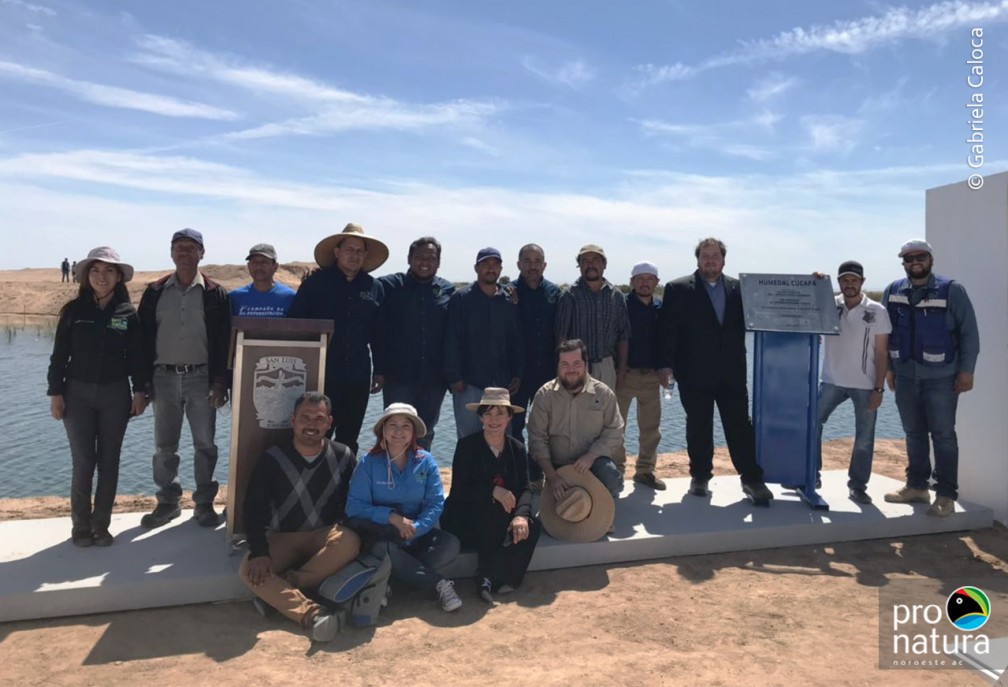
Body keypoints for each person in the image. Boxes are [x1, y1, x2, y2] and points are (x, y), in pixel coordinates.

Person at [657, 238, 774, 504]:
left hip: (731, 373)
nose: (710, 260)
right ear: (697, 260)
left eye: (715, 256)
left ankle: (751, 479)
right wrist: (665, 365)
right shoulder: (678, 288)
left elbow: (771, 306)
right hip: (693, 373)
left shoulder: (740, 288)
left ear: (724, 260)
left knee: (740, 427)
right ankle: (700, 476)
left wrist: (815, 283)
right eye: (705, 256)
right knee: (699, 426)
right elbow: (668, 331)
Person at [47, 247, 148, 547]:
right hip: (75, 394)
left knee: (109, 461)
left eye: (108, 271)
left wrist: (140, 390)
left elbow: (138, 358)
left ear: (119, 278)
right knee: (83, 462)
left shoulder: (128, 314)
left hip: (115, 395)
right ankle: (80, 527)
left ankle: (100, 526)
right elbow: (59, 356)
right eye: (95, 270)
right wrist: (55, 393)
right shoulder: (74, 311)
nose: (101, 277)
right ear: (86, 276)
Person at [240, 392, 360, 642]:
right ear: (293, 420)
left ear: (329, 422)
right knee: (247, 570)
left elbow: (355, 502)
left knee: (349, 541)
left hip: (322, 534)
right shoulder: (272, 458)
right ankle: (312, 614)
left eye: (319, 418)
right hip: (282, 537)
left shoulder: (344, 456)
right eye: (305, 417)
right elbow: (253, 507)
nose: (312, 424)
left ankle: (284, 588)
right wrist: (259, 551)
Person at [138, 228, 231, 529]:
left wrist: (221, 382)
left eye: (191, 248)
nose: (185, 253)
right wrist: (142, 383)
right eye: (179, 247)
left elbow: (224, 342)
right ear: (171, 252)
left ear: (202, 253)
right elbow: (142, 341)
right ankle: (168, 502)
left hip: (201, 378)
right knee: (165, 446)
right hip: (162, 378)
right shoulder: (154, 292)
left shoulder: (216, 293)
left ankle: (204, 503)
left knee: (205, 444)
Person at [881, 239, 980, 517]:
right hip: (905, 377)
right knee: (913, 434)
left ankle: (946, 495)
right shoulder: (892, 290)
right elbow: (884, 334)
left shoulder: (952, 290)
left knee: (944, 436)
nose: (915, 262)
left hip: (942, 378)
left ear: (930, 259)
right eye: (909, 258)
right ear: (903, 263)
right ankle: (916, 487)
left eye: (920, 257)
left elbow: (969, 333)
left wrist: (967, 370)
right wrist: (888, 368)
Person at [345, 403, 463, 612]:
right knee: (384, 549)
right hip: (383, 535)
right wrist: (391, 518)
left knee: (450, 544)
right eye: (392, 425)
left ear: (413, 432)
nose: (399, 432)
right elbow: (353, 506)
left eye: (405, 426)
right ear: (383, 430)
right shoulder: (368, 463)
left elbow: (435, 503)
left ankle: (388, 581)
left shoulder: (426, 461)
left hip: (415, 535)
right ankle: (437, 584)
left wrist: (416, 528)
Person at [288, 223, 388, 453]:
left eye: (359, 251)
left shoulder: (374, 287)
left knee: (350, 435)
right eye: (349, 249)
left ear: (365, 255)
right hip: (321, 372)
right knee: (317, 432)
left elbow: (379, 334)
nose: (354, 255)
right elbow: (296, 326)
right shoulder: (315, 284)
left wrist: (380, 370)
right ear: (337, 252)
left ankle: (344, 486)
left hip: (358, 372)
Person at [441, 388, 541, 603]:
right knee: (492, 509)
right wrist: (492, 491)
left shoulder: (517, 448)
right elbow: (459, 490)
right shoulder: (466, 446)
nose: (494, 420)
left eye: (500, 414)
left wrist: (521, 516)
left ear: (509, 418)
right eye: (488, 414)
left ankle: (492, 573)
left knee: (532, 525)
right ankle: (486, 575)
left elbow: (525, 488)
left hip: (502, 519)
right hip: (467, 519)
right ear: (480, 417)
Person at [816, 260, 892, 505]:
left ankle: (858, 486)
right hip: (831, 380)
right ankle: (810, 474)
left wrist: (879, 388)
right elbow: (805, 305)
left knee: (865, 437)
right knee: (812, 424)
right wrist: (814, 282)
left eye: (854, 280)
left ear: (862, 282)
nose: (849, 285)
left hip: (865, 384)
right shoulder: (830, 306)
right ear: (838, 282)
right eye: (845, 280)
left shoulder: (877, 310)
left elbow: (882, 353)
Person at [527, 339, 625, 525]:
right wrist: (552, 476)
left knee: (611, 477)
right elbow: (536, 439)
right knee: (524, 470)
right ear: (557, 366)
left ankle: (601, 509)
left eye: (576, 364)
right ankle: (541, 500)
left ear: (586, 365)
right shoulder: (544, 395)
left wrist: (591, 456)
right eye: (564, 364)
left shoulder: (603, 394)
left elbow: (615, 431)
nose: (570, 369)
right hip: (554, 462)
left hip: (591, 463)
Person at [373, 237, 455, 450]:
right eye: (419, 257)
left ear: (439, 261)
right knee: (393, 432)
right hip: (398, 378)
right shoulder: (389, 286)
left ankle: (419, 480)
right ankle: (390, 479)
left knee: (425, 433)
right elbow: (361, 287)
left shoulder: (448, 291)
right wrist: (379, 370)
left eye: (432, 257)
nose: (425, 261)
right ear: (409, 259)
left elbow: (459, 334)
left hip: (435, 379)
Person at [443, 247, 523, 439]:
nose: (490, 269)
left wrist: (518, 373)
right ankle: (467, 470)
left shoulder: (508, 300)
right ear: (476, 268)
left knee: (503, 437)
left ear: (501, 269)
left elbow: (516, 340)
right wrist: (454, 377)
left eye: (495, 265)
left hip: (501, 382)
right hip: (469, 382)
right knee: (468, 438)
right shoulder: (461, 298)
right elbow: (451, 340)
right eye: (485, 264)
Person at [613, 261, 671, 490]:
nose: (645, 283)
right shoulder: (622, 306)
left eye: (649, 279)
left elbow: (666, 342)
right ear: (632, 282)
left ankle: (645, 470)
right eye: (640, 279)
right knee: (617, 427)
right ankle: (616, 471)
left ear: (657, 282)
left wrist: (666, 368)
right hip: (624, 376)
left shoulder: (661, 308)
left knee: (651, 428)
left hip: (650, 378)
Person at [554, 244, 630, 391]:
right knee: (577, 413)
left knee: (605, 413)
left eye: (595, 260)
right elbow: (561, 337)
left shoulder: (616, 296)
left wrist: (621, 371)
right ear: (580, 266)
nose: (590, 265)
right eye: (585, 261)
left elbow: (623, 336)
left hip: (607, 365)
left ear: (604, 264)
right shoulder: (569, 295)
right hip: (576, 366)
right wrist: (562, 370)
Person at [509, 243, 560, 449]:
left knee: (545, 427)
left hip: (547, 373)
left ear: (545, 265)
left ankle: (540, 472)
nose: (533, 266)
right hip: (516, 375)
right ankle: (519, 473)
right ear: (519, 264)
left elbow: (561, 334)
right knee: (514, 426)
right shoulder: (508, 292)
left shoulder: (556, 293)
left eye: (537, 261)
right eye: (527, 261)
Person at [229, 243, 296, 318]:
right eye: (254, 262)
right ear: (248, 266)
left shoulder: (290, 297)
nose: (259, 267)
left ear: (275, 266)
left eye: (264, 262)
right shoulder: (234, 297)